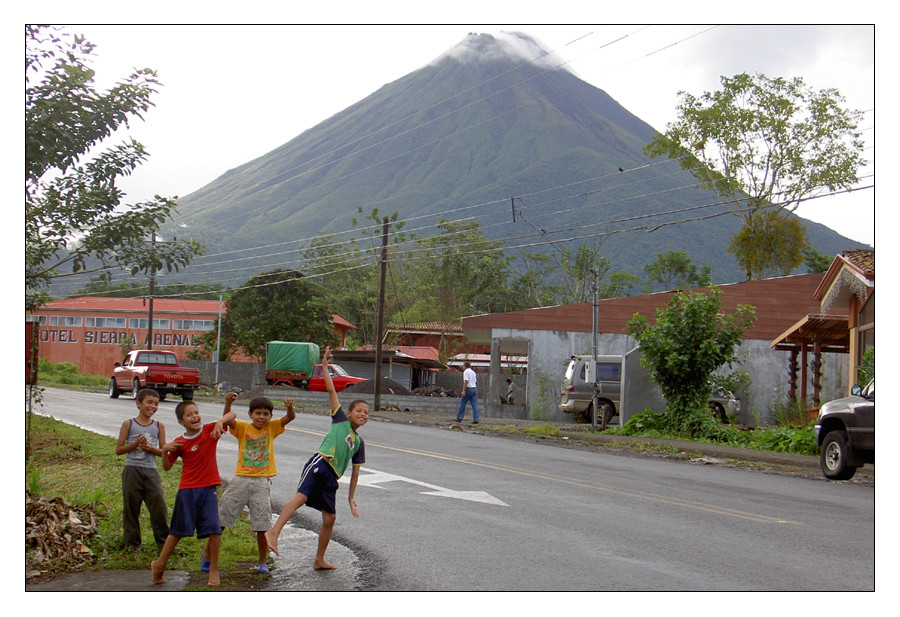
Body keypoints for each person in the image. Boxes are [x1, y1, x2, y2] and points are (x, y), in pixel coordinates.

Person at [265, 346, 367, 570]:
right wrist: (323, 366)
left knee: (329, 519)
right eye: (359, 410)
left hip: (332, 478)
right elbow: (332, 392)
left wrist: (351, 497)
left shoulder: (359, 443)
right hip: (320, 464)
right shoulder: (340, 420)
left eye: (366, 413)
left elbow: (356, 472)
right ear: (349, 413)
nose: (362, 414)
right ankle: (273, 533)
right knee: (300, 497)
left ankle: (319, 559)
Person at [202, 392, 295, 575]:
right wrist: (228, 403)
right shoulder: (243, 428)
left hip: (261, 481)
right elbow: (229, 421)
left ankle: (262, 562)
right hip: (240, 479)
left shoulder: (273, 427)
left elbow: (289, 417)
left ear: (270, 416)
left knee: (262, 525)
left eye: (265, 414)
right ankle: (207, 556)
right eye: (258, 413)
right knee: (222, 519)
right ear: (250, 414)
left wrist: (289, 406)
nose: (261, 417)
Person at [151, 400, 236, 586]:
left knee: (215, 528)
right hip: (187, 491)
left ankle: (213, 568)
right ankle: (159, 564)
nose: (194, 416)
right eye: (188, 415)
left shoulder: (209, 430)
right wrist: (165, 451)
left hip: (209, 489)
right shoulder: (179, 442)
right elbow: (166, 467)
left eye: (196, 412)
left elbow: (233, 415)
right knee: (177, 531)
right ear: (181, 422)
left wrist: (221, 422)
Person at [115, 388, 169, 551]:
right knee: (131, 507)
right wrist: (135, 445)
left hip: (150, 470)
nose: (153, 406)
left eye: (156, 404)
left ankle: (164, 543)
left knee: (159, 507)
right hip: (132, 470)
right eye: (149, 402)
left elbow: (163, 452)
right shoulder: (128, 424)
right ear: (138, 403)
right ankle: (132, 544)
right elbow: (119, 450)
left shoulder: (159, 426)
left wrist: (150, 449)